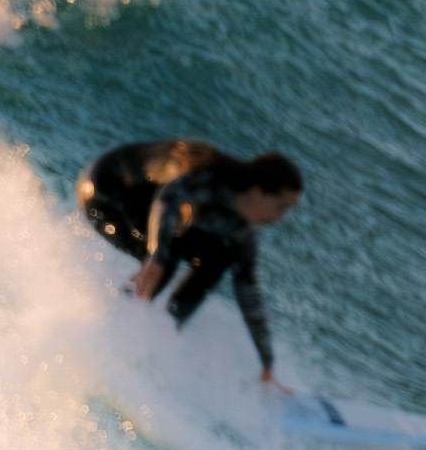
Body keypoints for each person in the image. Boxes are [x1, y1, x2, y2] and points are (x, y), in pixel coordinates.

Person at [77, 137, 304, 378]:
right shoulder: (213, 178)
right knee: (164, 262)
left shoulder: (242, 233)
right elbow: (167, 197)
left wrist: (267, 363)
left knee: (217, 256)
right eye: (281, 206)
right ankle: (106, 328)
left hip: (139, 202)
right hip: (105, 190)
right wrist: (157, 254)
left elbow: (248, 291)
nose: (280, 218)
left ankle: (164, 333)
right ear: (257, 191)